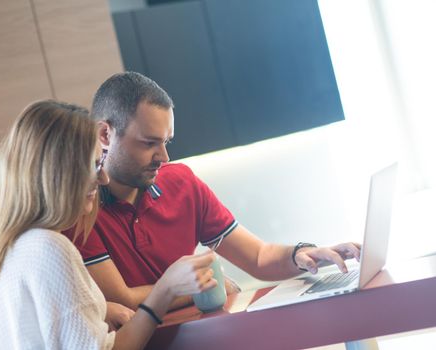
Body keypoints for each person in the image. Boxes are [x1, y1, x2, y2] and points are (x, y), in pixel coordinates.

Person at [63, 72, 362, 311]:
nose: (164, 157)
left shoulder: (181, 183)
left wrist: (303, 255)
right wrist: (209, 285)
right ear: (105, 134)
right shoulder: (79, 210)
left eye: (167, 141)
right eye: (149, 143)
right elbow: (123, 300)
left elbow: (257, 256)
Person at [0, 100, 218, 350]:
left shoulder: (15, 247)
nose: (103, 178)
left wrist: (99, 310)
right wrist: (166, 289)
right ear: (60, 173)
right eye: (94, 166)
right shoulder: (50, 248)